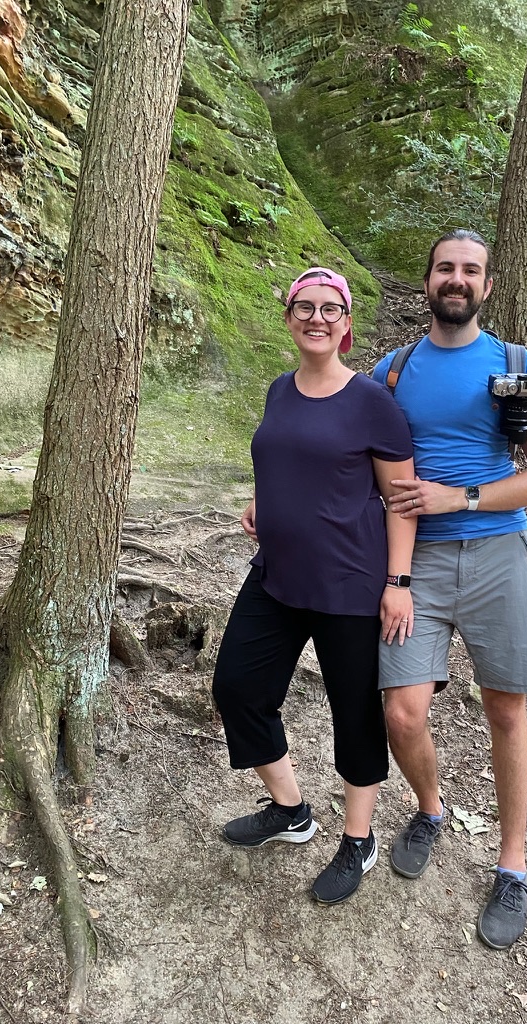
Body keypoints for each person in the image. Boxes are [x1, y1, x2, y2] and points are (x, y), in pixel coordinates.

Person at [372, 229, 527, 948]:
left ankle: (512, 866)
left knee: (507, 711)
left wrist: (463, 496)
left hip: (494, 553)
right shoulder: (391, 373)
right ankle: (430, 809)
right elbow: (356, 464)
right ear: (427, 281)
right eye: (446, 268)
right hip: (414, 563)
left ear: (486, 287)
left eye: (471, 271)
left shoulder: (515, 365)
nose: (457, 279)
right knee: (402, 711)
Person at [212, 266, 416, 906]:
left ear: (347, 325)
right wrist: (260, 502)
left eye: (331, 309)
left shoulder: (371, 403)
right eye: (306, 306)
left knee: (353, 714)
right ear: (290, 318)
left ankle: (358, 837)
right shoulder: (279, 389)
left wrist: (398, 583)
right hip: (277, 575)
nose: (317, 318)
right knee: (237, 687)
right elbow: (278, 455)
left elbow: (401, 500)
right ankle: (290, 810)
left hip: (351, 586)